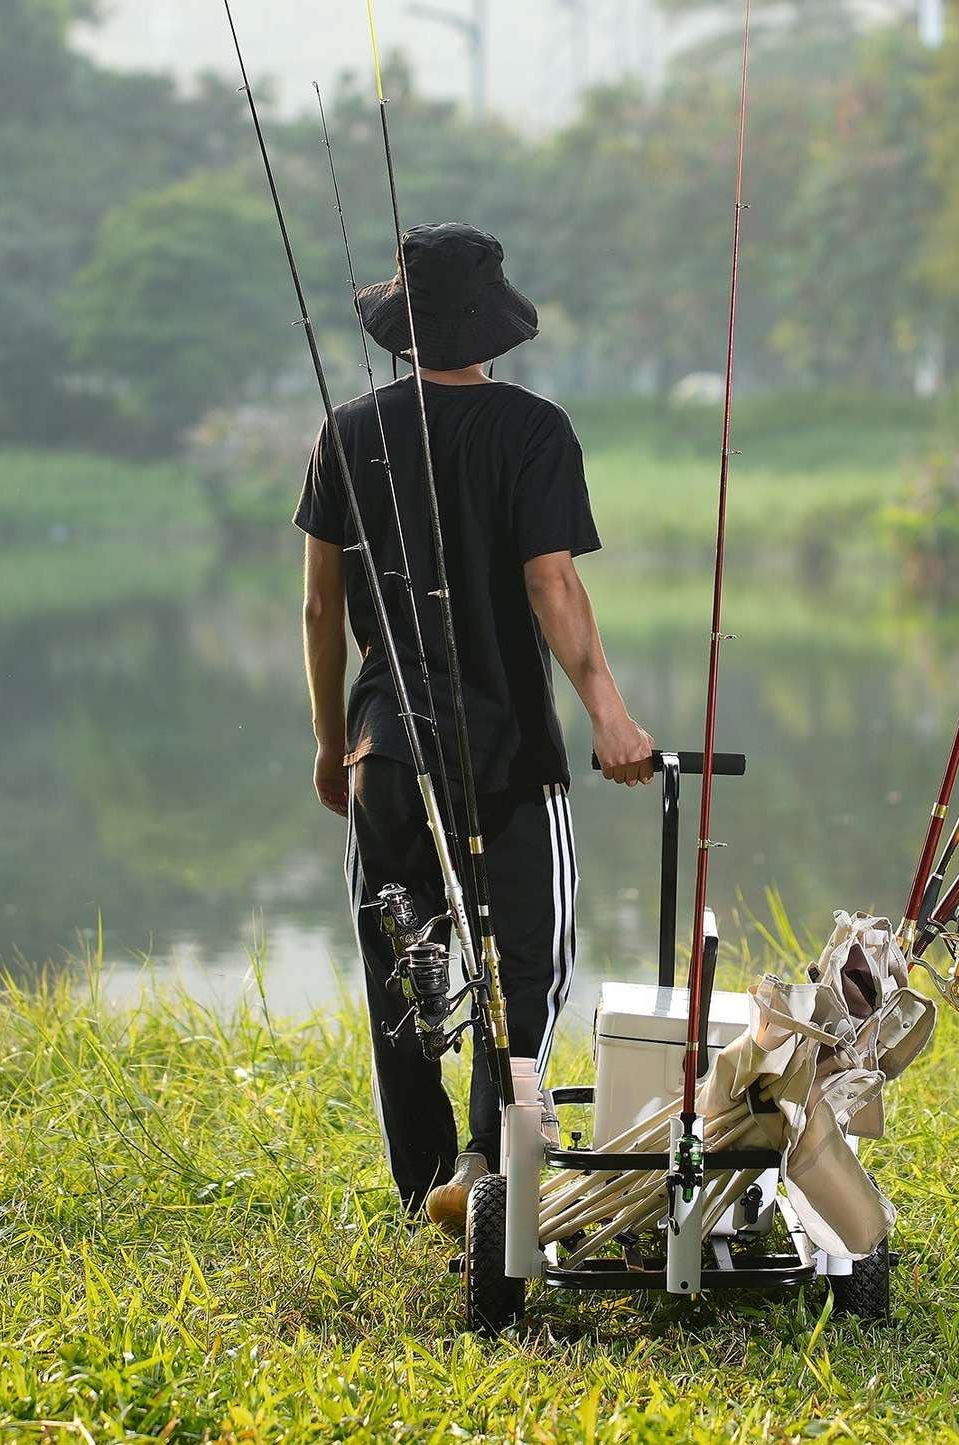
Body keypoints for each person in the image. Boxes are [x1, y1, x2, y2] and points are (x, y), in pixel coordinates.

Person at [295, 221, 653, 1233]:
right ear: (492, 326)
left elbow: (322, 609)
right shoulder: (534, 430)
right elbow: (551, 579)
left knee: (400, 967)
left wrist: (333, 743)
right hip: (507, 752)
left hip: (388, 749)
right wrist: (611, 716)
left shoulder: (346, 431)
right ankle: (494, 1169)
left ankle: (425, 1187)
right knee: (524, 968)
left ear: (401, 325)